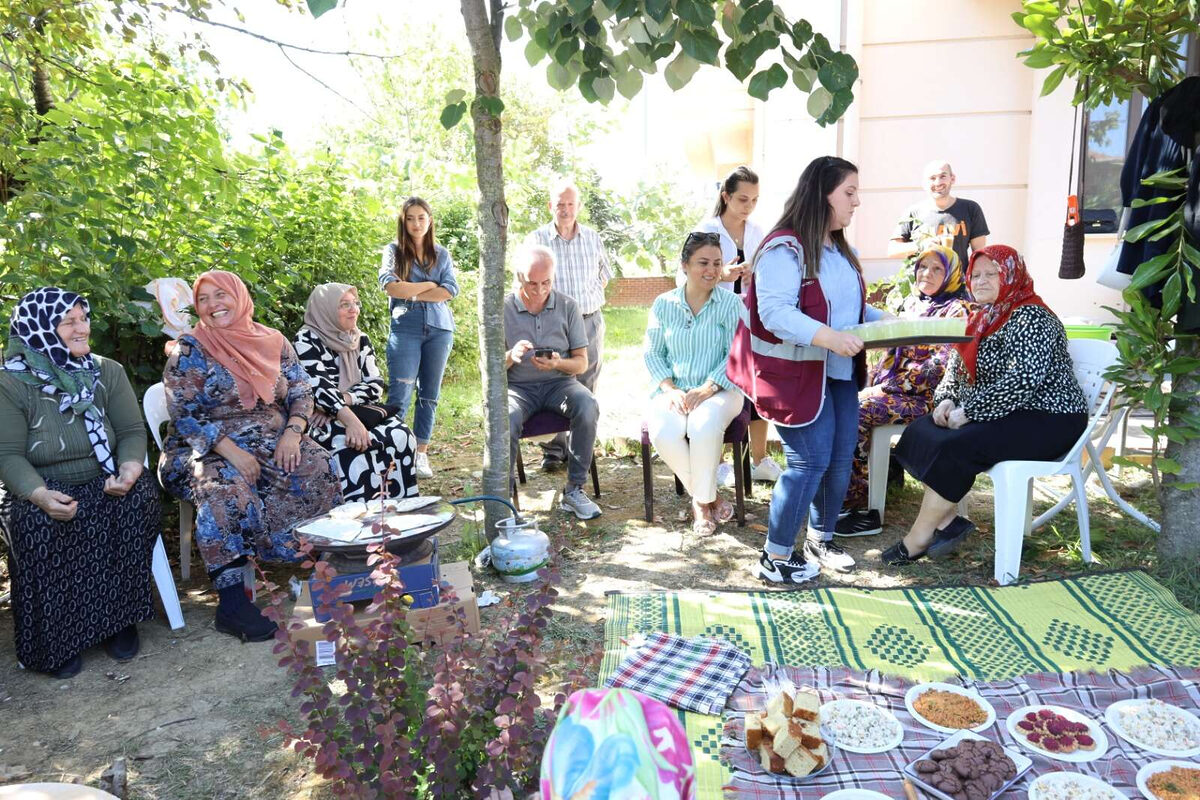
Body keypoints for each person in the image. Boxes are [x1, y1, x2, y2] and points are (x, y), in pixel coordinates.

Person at [726, 155, 888, 583]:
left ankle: (820, 539)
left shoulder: (836, 248)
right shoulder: (784, 247)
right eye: (849, 193)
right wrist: (831, 339)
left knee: (837, 462)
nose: (857, 202)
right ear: (822, 193)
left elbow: (845, 307)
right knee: (807, 463)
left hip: (835, 374)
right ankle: (776, 556)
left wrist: (886, 322)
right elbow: (777, 312)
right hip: (794, 378)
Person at [159, 271, 342, 641]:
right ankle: (231, 603)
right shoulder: (190, 349)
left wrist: (293, 433)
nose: (213, 306)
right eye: (204, 299)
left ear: (239, 296)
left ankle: (320, 565)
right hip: (202, 447)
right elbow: (184, 413)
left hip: (268, 437)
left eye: (221, 295)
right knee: (222, 485)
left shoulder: (272, 340)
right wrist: (231, 452)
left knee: (315, 464)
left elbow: (301, 391)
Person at [884, 245, 1088, 565]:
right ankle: (949, 522)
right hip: (1009, 410)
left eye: (990, 274)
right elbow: (956, 370)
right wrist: (947, 400)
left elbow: (1023, 379)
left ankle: (919, 538)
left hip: (1050, 417)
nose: (980, 281)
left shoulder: (1031, 315)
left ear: (1011, 274)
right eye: (975, 275)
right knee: (922, 430)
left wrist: (971, 412)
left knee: (959, 445)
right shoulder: (981, 317)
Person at [0, 288, 159, 678]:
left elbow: (131, 431)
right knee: (35, 523)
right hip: (43, 483)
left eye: (83, 318)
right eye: (68, 321)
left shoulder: (106, 371)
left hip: (104, 476)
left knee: (138, 498)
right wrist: (38, 494)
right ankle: (57, 639)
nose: (81, 328)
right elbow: (7, 455)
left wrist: (129, 470)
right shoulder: (11, 383)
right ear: (38, 328)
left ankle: (120, 620)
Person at [836, 245, 974, 537]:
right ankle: (850, 492)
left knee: (859, 411)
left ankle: (859, 507)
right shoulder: (913, 304)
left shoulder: (958, 309)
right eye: (923, 266)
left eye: (938, 269)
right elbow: (889, 354)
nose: (927, 273)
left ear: (952, 275)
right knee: (844, 401)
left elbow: (942, 367)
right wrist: (873, 384)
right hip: (899, 392)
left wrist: (883, 388)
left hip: (932, 399)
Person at [644, 232, 745, 536]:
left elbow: (735, 355)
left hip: (722, 389)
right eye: (703, 262)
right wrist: (670, 389)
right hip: (674, 388)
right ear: (685, 265)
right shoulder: (664, 304)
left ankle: (700, 506)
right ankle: (709, 496)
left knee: (702, 424)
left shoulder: (729, 303)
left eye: (716, 263)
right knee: (663, 429)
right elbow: (652, 353)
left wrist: (708, 388)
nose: (712, 270)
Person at [695, 166, 781, 487]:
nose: (748, 206)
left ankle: (759, 460)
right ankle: (718, 462)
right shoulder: (705, 230)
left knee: (757, 392)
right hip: (716, 322)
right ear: (726, 196)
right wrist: (721, 275)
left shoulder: (758, 231)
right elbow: (686, 277)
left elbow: (771, 271)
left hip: (752, 322)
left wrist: (753, 275)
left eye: (755, 200)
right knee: (718, 388)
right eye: (742, 199)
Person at [294, 283, 418, 503]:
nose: (354, 310)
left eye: (355, 303)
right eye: (344, 305)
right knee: (346, 448)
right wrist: (342, 414)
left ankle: (399, 511)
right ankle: (356, 521)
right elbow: (318, 388)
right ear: (326, 309)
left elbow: (375, 384)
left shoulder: (360, 339)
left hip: (352, 411)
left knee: (401, 434)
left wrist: (341, 402)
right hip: (319, 419)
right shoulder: (306, 340)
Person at [504, 245, 602, 521]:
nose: (539, 290)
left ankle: (574, 490)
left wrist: (558, 363)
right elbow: (487, 368)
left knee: (587, 404)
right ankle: (505, 498)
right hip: (518, 389)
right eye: (531, 283)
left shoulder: (568, 305)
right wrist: (511, 356)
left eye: (546, 282)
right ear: (519, 277)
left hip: (559, 383)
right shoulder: (502, 308)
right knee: (504, 416)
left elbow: (581, 364)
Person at [524, 178, 612, 472]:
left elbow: (604, 275)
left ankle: (580, 448)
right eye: (560, 204)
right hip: (552, 324)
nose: (565, 209)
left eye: (570, 204)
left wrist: (585, 304)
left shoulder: (592, 237)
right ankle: (553, 450)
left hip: (588, 320)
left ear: (578, 206)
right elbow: (525, 281)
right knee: (553, 380)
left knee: (586, 382)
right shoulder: (536, 239)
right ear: (551, 206)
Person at [379, 197, 459, 480]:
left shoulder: (442, 254)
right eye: (411, 218)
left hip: (440, 329)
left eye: (421, 217)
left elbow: (449, 290)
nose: (416, 223)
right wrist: (426, 286)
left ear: (430, 220)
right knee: (400, 393)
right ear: (404, 221)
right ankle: (395, 455)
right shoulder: (393, 251)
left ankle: (421, 454)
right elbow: (389, 286)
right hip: (406, 328)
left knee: (429, 396)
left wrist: (410, 289)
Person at [888, 160, 989, 270]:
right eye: (932, 178)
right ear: (924, 183)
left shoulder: (970, 208)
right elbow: (892, 250)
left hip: (958, 284)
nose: (938, 182)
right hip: (923, 284)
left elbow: (979, 254)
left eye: (943, 176)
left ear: (952, 179)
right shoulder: (914, 212)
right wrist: (921, 245)